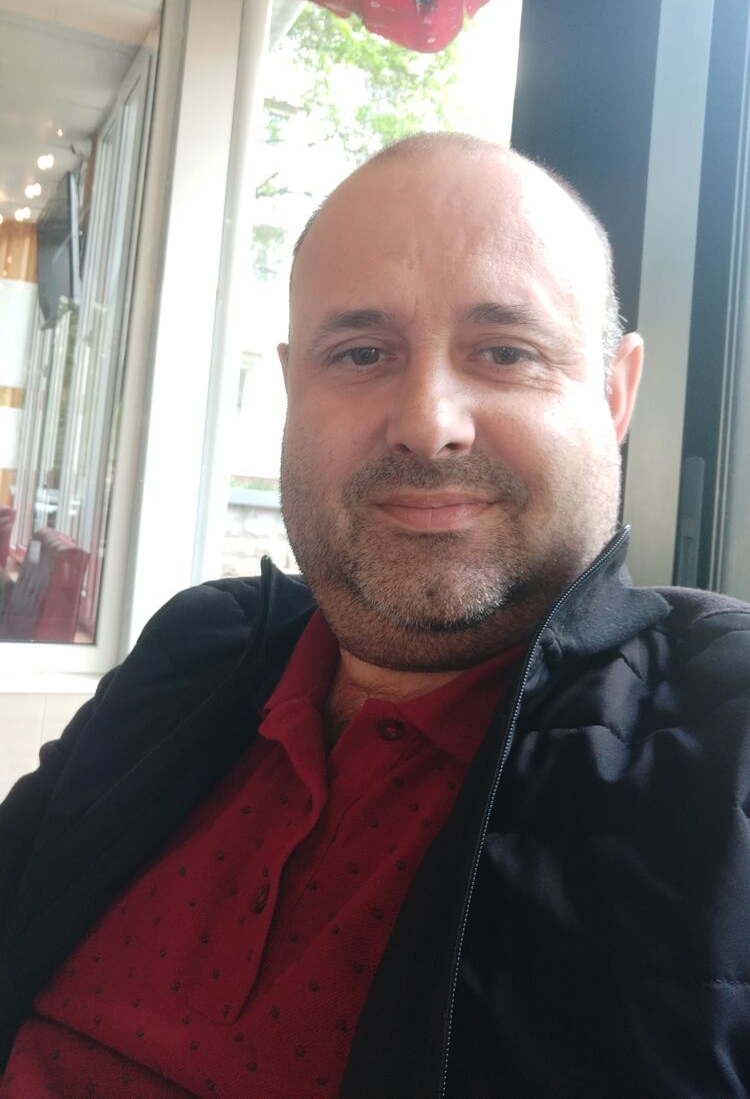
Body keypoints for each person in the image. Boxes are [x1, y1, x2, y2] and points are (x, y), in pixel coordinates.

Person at [1, 133, 749, 1098]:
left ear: (615, 394)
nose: (427, 422)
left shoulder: (725, 734)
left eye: (506, 351)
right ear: (292, 386)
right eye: (360, 353)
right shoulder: (198, 647)